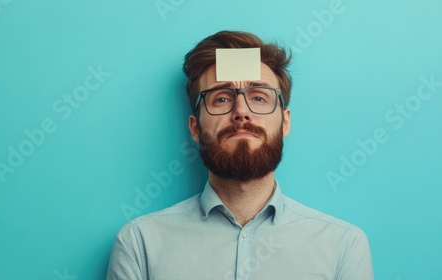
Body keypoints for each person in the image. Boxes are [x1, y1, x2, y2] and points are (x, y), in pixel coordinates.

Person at [107, 30, 373, 280]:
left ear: (285, 122)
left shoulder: (343, 245)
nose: (241, 111)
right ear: (196, 127)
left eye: (259, 97)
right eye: (221, 98)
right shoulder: (140, 244)